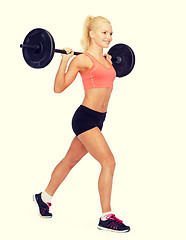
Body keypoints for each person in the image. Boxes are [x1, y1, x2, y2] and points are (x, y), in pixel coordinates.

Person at [33, 15, 130, 233]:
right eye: (104, 32)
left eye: (111, 33)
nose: (109, 37)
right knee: (109, 162)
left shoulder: (108, 59)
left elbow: (114, 72)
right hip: (85, 118)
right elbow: (58, 88)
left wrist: (111, 61)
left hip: (99, 119)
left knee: (70, 160)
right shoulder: (82, 60)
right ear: (92, 34)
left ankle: (44, 197)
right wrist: (64, 61)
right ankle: (106, 217)